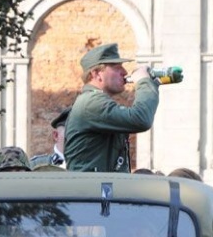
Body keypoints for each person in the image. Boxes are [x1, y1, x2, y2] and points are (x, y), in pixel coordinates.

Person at [64, 43, 160, 172]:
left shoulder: (95, 101)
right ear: (97, 74)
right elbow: (140, 119)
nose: (124, 72)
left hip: (99, 188)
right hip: (92, 190)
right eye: (116, 67)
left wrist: (150, 84)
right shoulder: (91, 103)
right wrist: (144, 82)